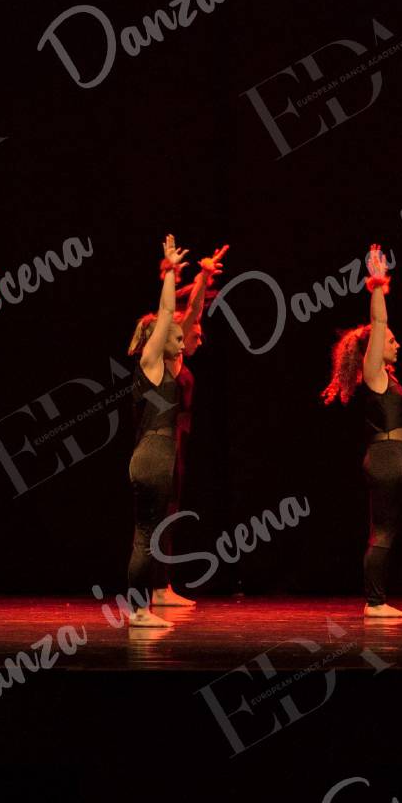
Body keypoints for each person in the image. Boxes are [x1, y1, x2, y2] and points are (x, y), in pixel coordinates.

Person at [124, 244, 228, 609]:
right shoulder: (158, 362)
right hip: (155, 447)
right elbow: (178, 312)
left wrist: (203, 276)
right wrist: (178, 274)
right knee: (149, 528)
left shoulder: (171, 358)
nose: (189, 340)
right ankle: (144, 602)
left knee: (164, 519)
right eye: (182, 335)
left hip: (170, 445)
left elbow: (187, 315)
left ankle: (157, 589)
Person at [322, 245, 402, 619]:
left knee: (386, 530)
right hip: (387, 459)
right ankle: (375, 603)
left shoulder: (386, 377)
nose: (396, 343)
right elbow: (378, 323)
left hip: (392, 459)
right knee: (383, 532)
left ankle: (377, 600)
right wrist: (377, 286)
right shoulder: (374, 375)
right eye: (391, 340)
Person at [123, 234, 190, 627]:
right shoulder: (149, 363)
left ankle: (140, 609)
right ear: (157, 340)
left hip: (156, 456)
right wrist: (168, 272)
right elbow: (166, 312)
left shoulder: (166, 370)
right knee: (146, 535)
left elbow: (183, 318)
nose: (181, 344)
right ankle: (138, 611)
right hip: (152, 455)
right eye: (175, 339)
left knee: (146, 534)